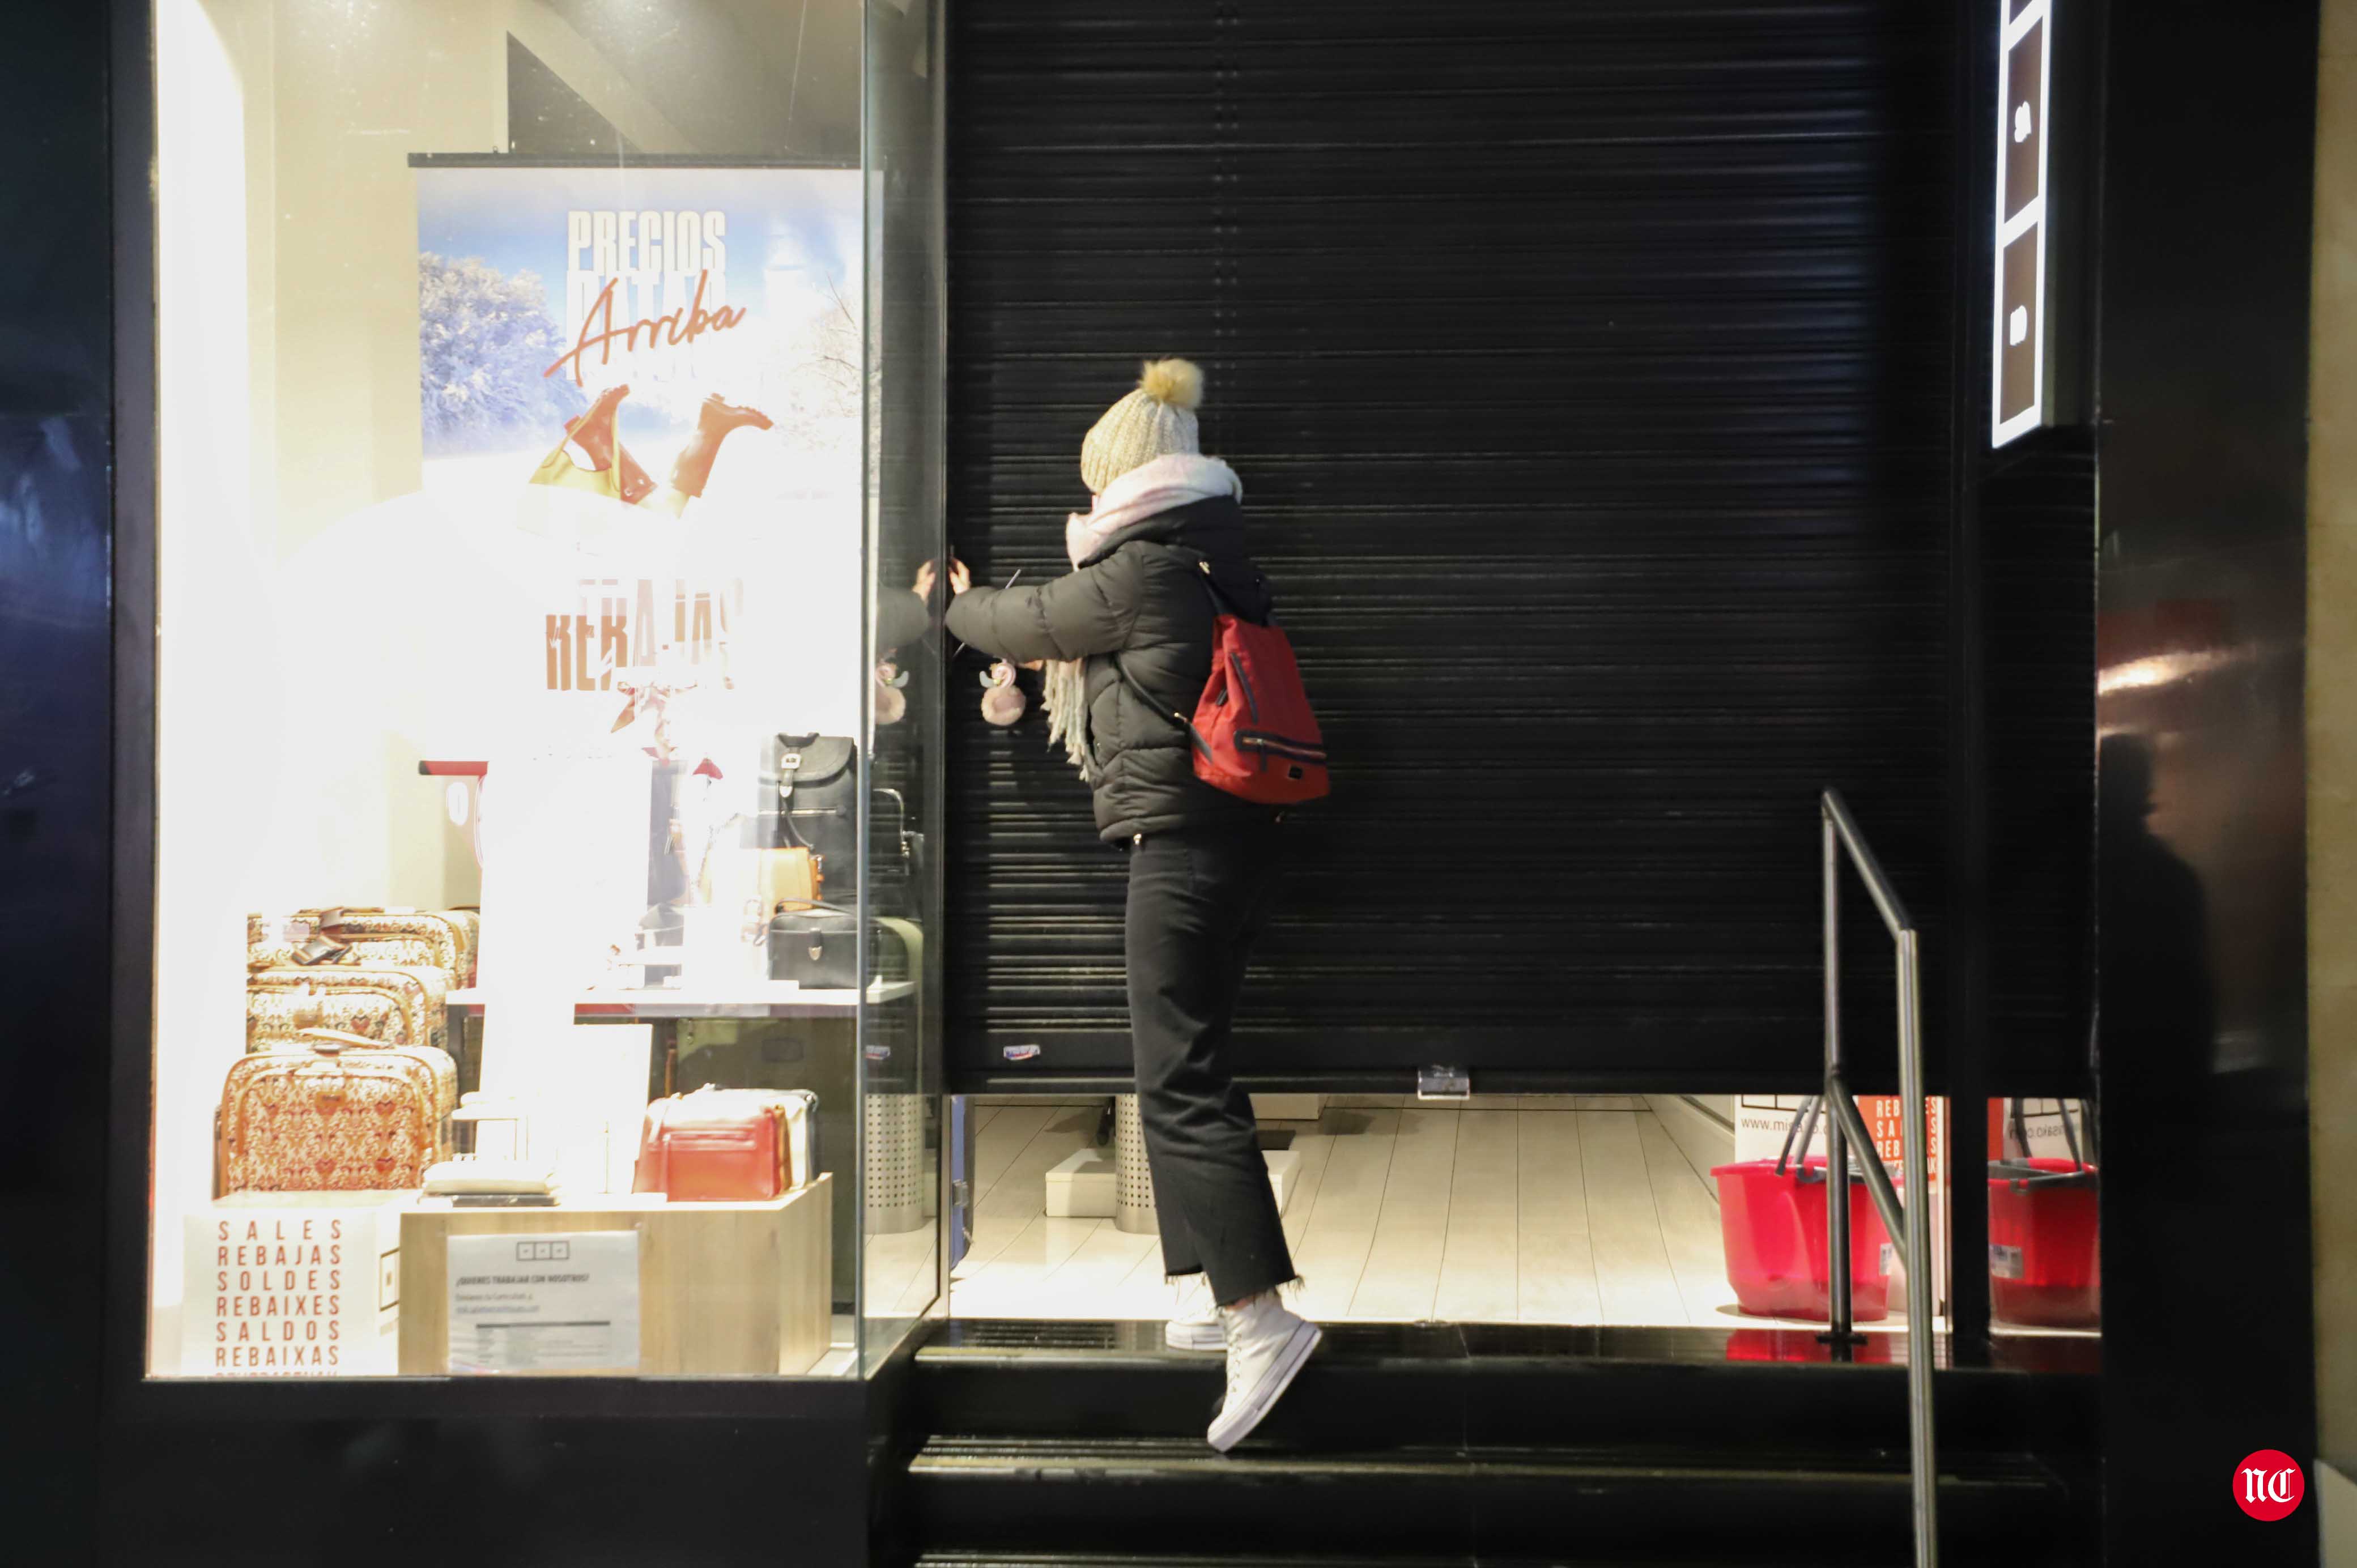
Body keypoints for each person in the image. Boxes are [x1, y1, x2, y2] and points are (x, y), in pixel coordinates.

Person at [944, 358, 1318, 1453]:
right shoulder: (1211, 559)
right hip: (1231, 839)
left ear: (1123, 478)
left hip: (1187, 847)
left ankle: (1263, 1319)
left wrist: (940, 601)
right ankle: (1203, 1292)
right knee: (1178, 1066)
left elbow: (1025, 619)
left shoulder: (1145, 569)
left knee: (1183, 1079)